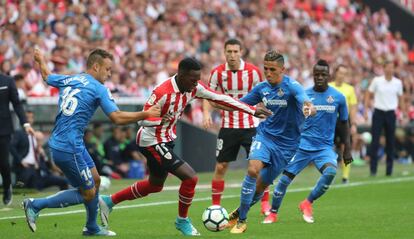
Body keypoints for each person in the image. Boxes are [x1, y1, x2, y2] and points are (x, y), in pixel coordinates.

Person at [99, 57, 271, 236]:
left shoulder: (194, 88)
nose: (196, 83)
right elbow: (142, 119)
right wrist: (158, 120)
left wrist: (251, 109)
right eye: (192, 79)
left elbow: (220, 98)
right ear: (181, 75)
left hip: (166, 140)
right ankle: (182, 221)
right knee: (190, 178)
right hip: (152, 141)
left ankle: (109, 201)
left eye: (198, 79)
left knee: (155, 185)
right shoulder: (162, 92)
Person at [22, 48, 161, 236]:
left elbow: (47, 76)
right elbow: (117, 118)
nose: (109, 74)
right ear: (96, 66)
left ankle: (92, 227)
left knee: (95, 181)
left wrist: (41, 60)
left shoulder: (71, 79)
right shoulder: (98, 88)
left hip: (67, 143)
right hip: (69, 147)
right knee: (87, 192)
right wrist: (146, 114)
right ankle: (35, 205)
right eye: (107, 69)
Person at [228, 50, 314, 234]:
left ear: (282, 69)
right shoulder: (262, 88)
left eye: (272, 69)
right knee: (253, 169)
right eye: (265, 68)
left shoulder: (293, 86)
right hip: (265, 136)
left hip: (287, 147)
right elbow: (239, 104)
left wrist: (308, 108)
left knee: (260, 186)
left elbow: (305, 101)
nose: (268, 73)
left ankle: (240, 211)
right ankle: (242, 221)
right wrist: (216, 100)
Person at [263, 59, 353, 225]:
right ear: (312, 75)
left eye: (323, 75)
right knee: (283, 181)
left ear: (329, 76)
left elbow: (344, 124)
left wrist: (347, 149)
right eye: (316, 74)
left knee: (331, 172)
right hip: (301, 146)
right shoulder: (303, 94)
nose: (319, 77)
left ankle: (307, 202)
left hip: (324, 148)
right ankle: (273, 213)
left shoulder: (338, 98)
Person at [202, 38, 271, 214]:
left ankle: (265, 204)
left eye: (235, 51)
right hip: (228, 126)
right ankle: (216, 205)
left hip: (251, 126)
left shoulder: (253, 72)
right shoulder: (217, 73)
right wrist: (206, 113)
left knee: (259, 166)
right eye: (229, 52)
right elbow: (208, 96)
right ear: (224, 53)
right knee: (220, 167)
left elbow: (264, 96)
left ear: (241, 52)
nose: (232, 55)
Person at [364, 61, 406, 176]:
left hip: (391, 113)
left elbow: (401, 97)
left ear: (394, 69)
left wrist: (402, 113)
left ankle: (389, 170)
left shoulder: (398, 83)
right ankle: (373, 170)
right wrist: (366, 110)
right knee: (375, 141)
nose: (390, 69)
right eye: (387, 67)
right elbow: (368, 93)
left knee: (390, 142)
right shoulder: (377, 81)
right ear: (383, 68)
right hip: (378, 113)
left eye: (392, 67)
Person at [10, 111, 69, 191]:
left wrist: (41, 153)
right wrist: (20, 160)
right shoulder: (19, 133)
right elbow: (11, 146)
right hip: (25, 167)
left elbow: (48, 164)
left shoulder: (33, 135)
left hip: (38, 171)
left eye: (31, 117)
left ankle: (63, 199)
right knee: (21, 187)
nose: (29, 120)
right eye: (27, 118)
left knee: (62, 181)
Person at [0, 72, 34, 206]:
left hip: (3, 129)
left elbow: (17, 104)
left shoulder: (7, 81)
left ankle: (7, 186)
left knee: (3, 163)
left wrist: (25, 123)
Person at [329, 64, 358, 183]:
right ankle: (328, 174)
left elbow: (353, 107)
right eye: (340, 73)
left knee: (345, 147)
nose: (342, 76)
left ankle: (345, 177)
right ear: (335, 73)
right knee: (328, 147)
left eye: (344, 73)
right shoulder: (329, 87)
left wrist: (354, 123)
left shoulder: (349, 89)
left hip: (344, 121)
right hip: (330, 121)